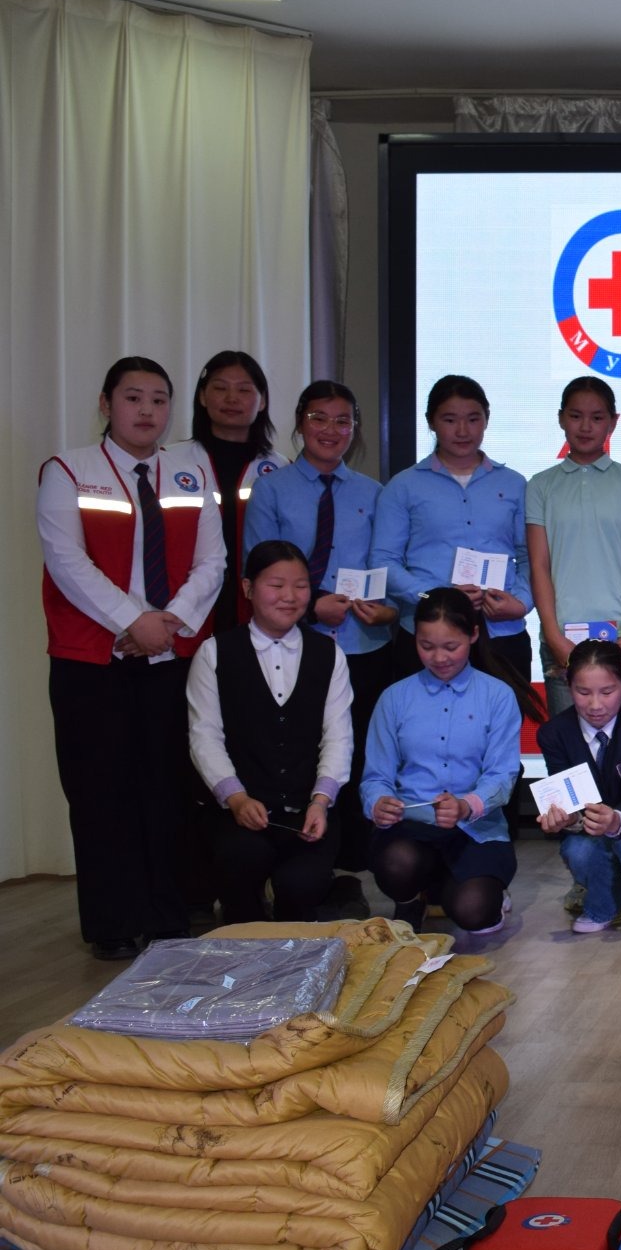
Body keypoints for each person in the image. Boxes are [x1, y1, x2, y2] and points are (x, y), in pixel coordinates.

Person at [39, 357, 226, 959]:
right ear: (106, 404)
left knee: (167, 788)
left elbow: (213, 562)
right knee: (100, 791)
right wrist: (133, 621)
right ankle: (113, 922)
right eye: (133, 398)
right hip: (91, 660)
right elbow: (67, 562)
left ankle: (168, 915)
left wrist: (168, 625)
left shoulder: (191, 472)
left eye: (158, 399)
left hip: (170, 655)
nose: (147, 411)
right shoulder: (69, 470)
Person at [242, 380, 395, 890]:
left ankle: (352, 871)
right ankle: (308, 871)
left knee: (360, 755)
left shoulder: (374, 493)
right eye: (319, 418)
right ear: (300, 422)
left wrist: (386, 610)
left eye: (343, 421)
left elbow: (387, 568)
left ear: (355, 429)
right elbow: (259, 571)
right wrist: (310, 608)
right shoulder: (272, 489)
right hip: (295, 646)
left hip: (364, 646)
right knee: (306, 757)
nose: (331, 430)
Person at [185, 540, 353, 923]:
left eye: (301, 586)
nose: (290, 597)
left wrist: (320, 801)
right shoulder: (214, 653)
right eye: (276, 585)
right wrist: (236, 797)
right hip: (238, 811)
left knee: (302, 886)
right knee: (242, 860)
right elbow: (204, 735)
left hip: (306, 810)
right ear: (248, 588)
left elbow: (339, 736)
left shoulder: (329, 654)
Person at [361, 587, 536, 933]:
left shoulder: (497, 696)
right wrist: (377, 802)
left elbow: (502, 776)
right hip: (411, 828)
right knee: (397, 863)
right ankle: (411, 899)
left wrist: (466, 806)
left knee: (474, 912)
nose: (439, 657)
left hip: (476, 830)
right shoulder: (394, 698)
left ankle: (460, 890)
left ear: (473, 635)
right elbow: (376, 776)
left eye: (450, 646)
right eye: (426, 646)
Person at [371, 375, 534, 683]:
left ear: (486, 419)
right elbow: (383, 560)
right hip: (428, 634)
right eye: (449, 420)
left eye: (473, 419)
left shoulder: (514, 484)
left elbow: (530, 556)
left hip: (501, 632)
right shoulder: (403, 486)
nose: (462, 431)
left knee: (505, 713)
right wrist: (430, 596)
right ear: (431, 422)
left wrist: (522, 601)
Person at [526, 375, 621, 718]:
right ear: (561, 418)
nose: (585, 427)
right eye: (575, 416)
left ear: (613, 422)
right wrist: (553, 636)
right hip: (562, 637)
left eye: (597, 417)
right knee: (569, 743)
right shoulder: (540, 486)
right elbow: (539, 564)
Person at [535, 639, 621, 936]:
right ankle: (604, 906)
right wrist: (567, 818)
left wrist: (616, 818)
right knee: (577, 849)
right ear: (568, 686)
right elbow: (566, 795)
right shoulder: (554, 733)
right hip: (591, 828)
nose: (595, 705)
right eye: (583, 692)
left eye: (607, 692)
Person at [179, 350, 284, 636]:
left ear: (262, 401)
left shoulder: (281, 469)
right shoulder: (170, 462)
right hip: (186, 604)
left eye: (244, 390)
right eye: (220, 388)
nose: (231, 398)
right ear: (202, 397)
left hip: (256, 607)